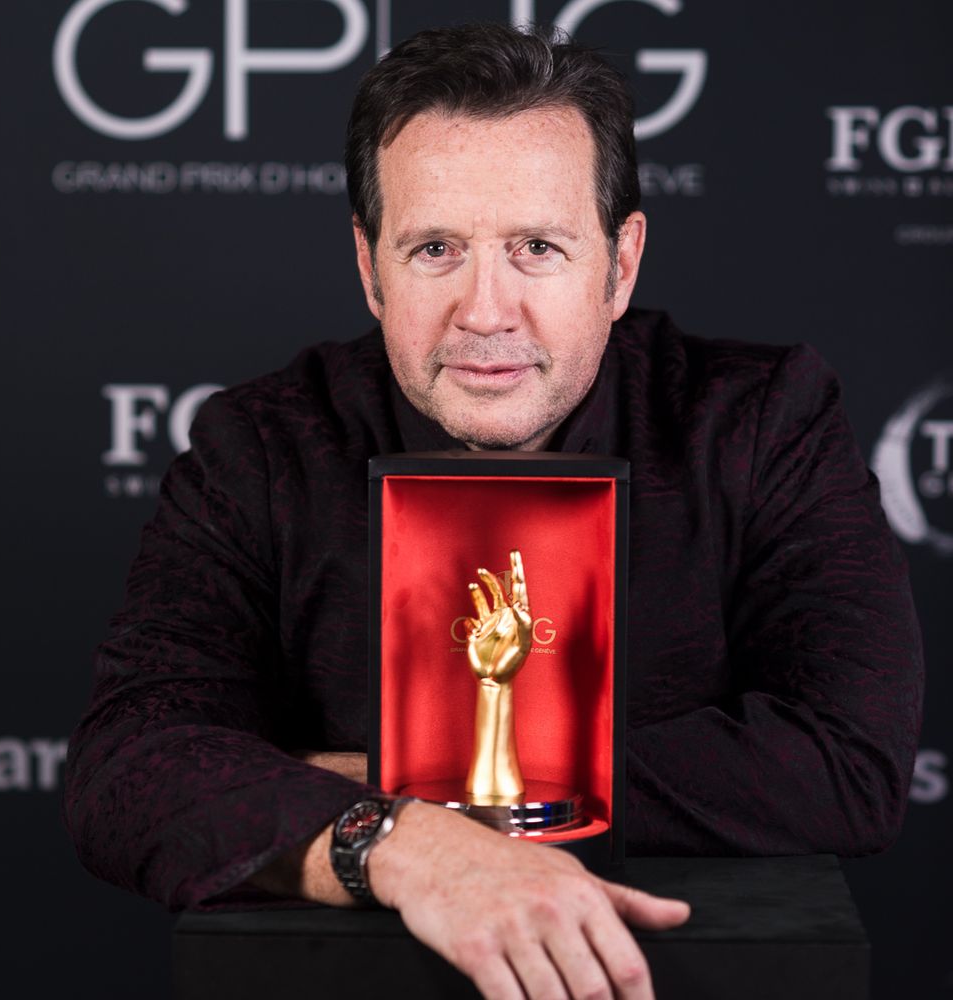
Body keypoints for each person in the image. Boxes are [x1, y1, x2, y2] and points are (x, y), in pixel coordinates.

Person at [64, 22, 923, 1000]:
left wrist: (397, 782)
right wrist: (406, 844)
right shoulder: (259, 446)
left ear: (621, 263)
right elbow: (130, 766)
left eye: (536, 248)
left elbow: (845, 761)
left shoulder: (761, 420)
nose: (484, 311)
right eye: (435, 248)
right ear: (369, 267)